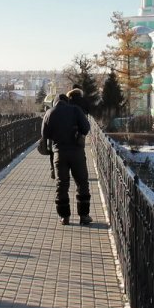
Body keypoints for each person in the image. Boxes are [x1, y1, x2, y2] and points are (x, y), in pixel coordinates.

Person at [41, 91, 92, 226]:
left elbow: (44, 134)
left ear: (55, 102)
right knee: (82, 183)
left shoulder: (49, 113)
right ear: (66, 101)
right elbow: (86, 128)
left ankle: (65, 217)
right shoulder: (75, 110)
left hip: (59, 154)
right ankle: (84, 216)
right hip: (77, 153)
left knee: (62, 185)